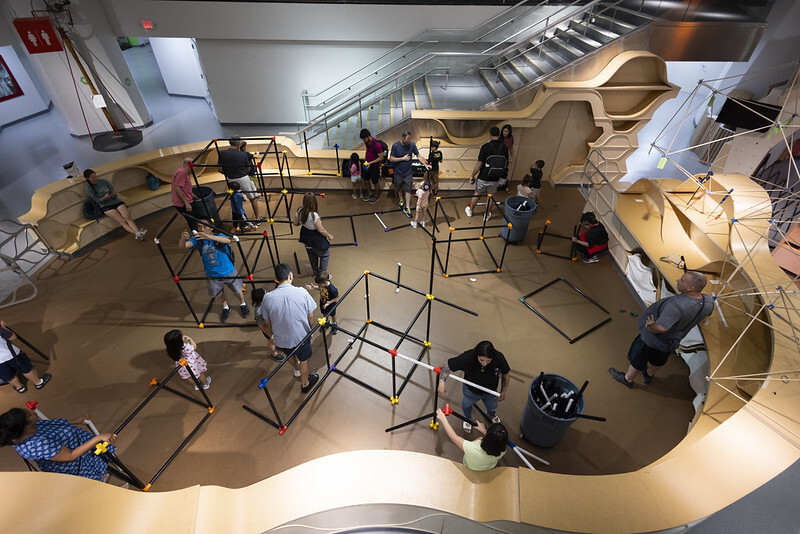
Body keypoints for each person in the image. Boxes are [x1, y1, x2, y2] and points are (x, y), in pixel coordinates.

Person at [610, 271, 714, 388]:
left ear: (690, 287)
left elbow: (660, 328)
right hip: (671, 341)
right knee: (658, 359)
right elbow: (708, 313)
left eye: (682, 280)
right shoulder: (707, 303)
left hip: (652, 339)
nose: (677, 281)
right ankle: (648, 375)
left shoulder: (676, 306)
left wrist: (650, 325)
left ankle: (627, 379)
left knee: (638, 358)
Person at [1, 407, 117, 481]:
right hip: (75, 462)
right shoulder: (38, 445)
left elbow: (52, 426)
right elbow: (70, 456)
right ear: (23, 428)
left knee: (98, 461)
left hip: (78, 446)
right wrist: (98, 438)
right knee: (92, 481)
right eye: (29, 415)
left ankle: (102, 474)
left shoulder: (31, 428)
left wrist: (75, 421)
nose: (32, 413)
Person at [258, 263, 319, 393]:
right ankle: (305, 383)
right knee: (304, 360)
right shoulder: (302, 292)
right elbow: (311, 315)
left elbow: (267, 321)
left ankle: (296, 369)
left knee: (289, 354)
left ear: (277, 278)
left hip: (281, 338)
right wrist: (310, 329)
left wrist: (273, 333)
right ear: (290, 276)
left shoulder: (267, 298)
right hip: (301, 336)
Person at [179, 219, 250, 323]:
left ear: (211, 227)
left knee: (237, 289)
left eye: (204, 226)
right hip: (212, 274)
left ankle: (243, 304)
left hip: (228, 271)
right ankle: (225, 307)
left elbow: (227, 240)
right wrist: (182, 239)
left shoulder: (219, 235)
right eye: (199, 227)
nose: (201, 229)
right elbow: (183, 246)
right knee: (219, 293)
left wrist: (210, 237)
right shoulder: (197, 240)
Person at [437, 340, 510, 434]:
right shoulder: (468, 357)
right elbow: (448, 365)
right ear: (477, 356)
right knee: (466, 405)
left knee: (493, 406)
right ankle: (468, 419)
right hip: (470, 391)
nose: (485, 363)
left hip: (491, 392)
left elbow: (506, 374)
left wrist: (504, 391)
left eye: (488, 361)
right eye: (481, 360)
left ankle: (491, 415)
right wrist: (442, 382)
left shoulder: (499, 357)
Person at [435, 408, 508, 471]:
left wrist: (443, 418)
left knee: (478, 439)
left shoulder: (472, 449)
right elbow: (495, 440)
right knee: (480, 439)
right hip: (488, 467)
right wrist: (483, 431)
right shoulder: (502, 449)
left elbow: (454, 437)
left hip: (471, 468)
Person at [84, 169, 146, 240]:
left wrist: (113, 194)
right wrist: (104, 198)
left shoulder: (104, 182)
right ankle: (137, 233)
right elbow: (97, 200)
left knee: (127, 217)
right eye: (93, 178)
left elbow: (113, 191)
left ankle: (138, 233)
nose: (96, 179)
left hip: (116, 201)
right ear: (87, 178)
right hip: (105, 206)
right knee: (122, 221)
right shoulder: (88, 188)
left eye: (96, 176)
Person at [465, 127, 509, 221]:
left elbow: (479, 164)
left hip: (484, 177)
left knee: (477, 193)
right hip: (496, 177)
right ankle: (487, 214)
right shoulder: (504, 147)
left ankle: (470, 210)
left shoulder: (485, 147)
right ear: (499, 134)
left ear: (490, 135)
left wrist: (472, 175)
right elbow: (506, 162)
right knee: (490, 196)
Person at [217, 137, 262, 221]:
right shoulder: (243, 154)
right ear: (239, 144)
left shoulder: (221, 153)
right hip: (243, 178)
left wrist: (230, 173)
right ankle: (258, 218)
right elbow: (248, 169)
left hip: (230, 180)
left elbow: (220, 170)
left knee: (236, 201)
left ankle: (241, 221)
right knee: (252, 199)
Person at [0, 320, 51, 394]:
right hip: (12, 355)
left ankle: (20, 387)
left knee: (9, 376)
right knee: (26, 369)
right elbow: (12, 337)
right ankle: (38, 383)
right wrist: (3, 327)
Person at [389, 132, 431, 217]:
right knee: (399, 187)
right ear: (402, 138)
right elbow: (391, 159)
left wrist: (425, 164)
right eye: (407, 141)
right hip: (398, 172)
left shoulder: (412, 145)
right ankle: (401, 200)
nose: (408, 143)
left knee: (408, 189)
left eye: (409, 141)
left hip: (408, 172)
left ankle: (407, 207)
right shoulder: (395, 146)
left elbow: (418, 156)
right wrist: (402, 159)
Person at [292, 192, 334, 277]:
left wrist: (303, 222)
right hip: (315, 238)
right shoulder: (314, 215)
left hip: (305, 237)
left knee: (312, 255)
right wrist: (329, 235)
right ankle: (323, 275)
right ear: (314, 202)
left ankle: (316, 272)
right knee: (325, 254)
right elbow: (321, 230)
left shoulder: (300, 210)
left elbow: (295, 223)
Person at [252, 288, 286, 363]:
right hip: (267, 329)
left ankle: (278, 344)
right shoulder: (258, 312)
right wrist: (270, 335)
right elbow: (261, 325)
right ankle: (273, 354)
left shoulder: (267, 301)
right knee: (271, 341)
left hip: (275, 325)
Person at [171, 158, 198, 231]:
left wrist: (196, 197)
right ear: (187, 164)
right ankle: (198, 237)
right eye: (192, 166)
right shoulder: (182, 173)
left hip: (186, 201)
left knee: (193, 219)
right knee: (192, 221)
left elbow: (185, 189)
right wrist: (186, 203)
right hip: (182, 203)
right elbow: (177, 188)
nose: (193, 168)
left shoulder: (185, 173)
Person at [359, 129, 384, 205]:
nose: (363, 141)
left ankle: (376, 195)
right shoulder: (367, 142)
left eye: (364, 139)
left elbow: (381, 157)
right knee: (366, 180)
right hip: (367, 165)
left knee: (375, 182)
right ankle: (370, 194)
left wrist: (370, 163)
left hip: (374, 166)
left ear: (369, 136)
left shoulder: (377, 144)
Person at [498, 124, 514, 192]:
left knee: (505, 172)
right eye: (504, 131)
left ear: (509, 132)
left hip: (506, 157)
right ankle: (497, 186)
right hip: (499, 157)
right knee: (498, 171)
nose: (505, 133)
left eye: (506, 131)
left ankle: (505, 186)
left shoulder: (511, 138)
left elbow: (511, 148)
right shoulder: (499, 138)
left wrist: (511, 157)